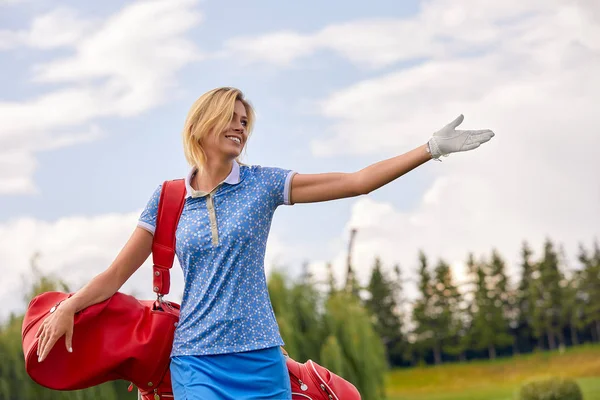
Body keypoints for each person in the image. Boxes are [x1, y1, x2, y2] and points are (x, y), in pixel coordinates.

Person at [34, 87, 495, 399]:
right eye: (230, 119)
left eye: (244, 121)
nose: (240, 127)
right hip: (194, 359)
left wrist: (429, 149)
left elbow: (356, 182)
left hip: (259, 357)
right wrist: (70, 307)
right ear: (201, 127)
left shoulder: (262, 185)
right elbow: (117, 275)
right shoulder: (168, 197)